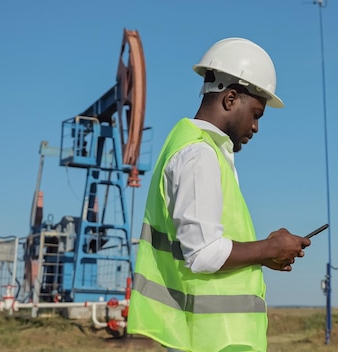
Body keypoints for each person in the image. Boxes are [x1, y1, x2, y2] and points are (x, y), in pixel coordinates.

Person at [126, 37, 311, 352]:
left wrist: (266, 253)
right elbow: (203, 254)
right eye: (255, 114)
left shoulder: (196, 147)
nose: (255, 127)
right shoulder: (198, 154)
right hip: (210, 339)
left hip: (211, 338)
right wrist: (270, 247)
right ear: (230, 98)